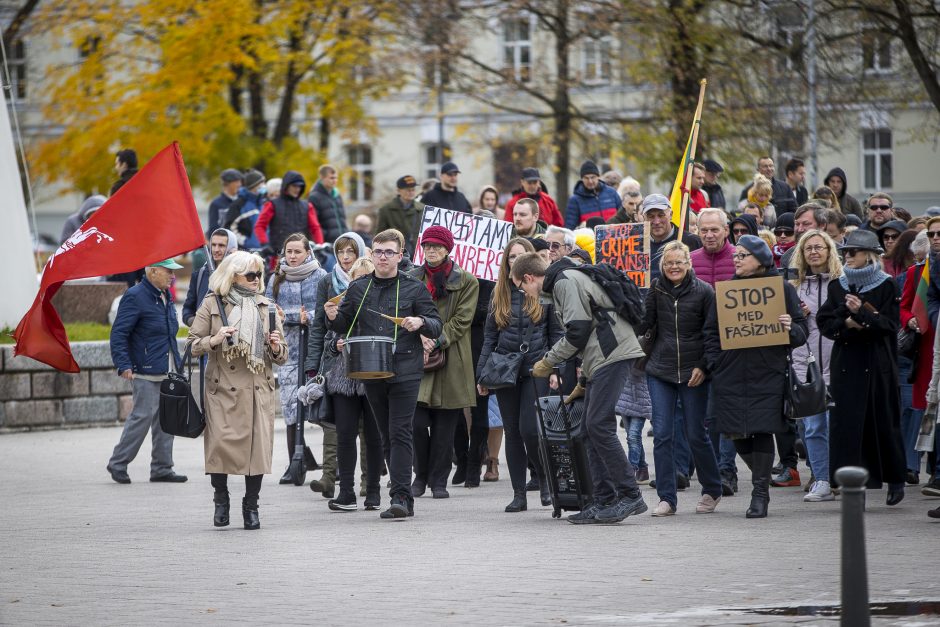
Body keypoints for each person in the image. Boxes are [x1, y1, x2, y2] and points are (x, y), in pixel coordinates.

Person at [519, 254, 648, 524]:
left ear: (529, 278)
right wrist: (583, 382)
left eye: (522, 287)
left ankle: (629, 494)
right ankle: (603, 500)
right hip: (604, 357)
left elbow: (578, 331)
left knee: (598, 425)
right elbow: (590, 337)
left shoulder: (564, 282)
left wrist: (548, 361)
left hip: (614, 354)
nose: (525, 293)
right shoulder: (564, 282)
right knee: (589, 429)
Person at [325, 228, 443, 519]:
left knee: (400, 430)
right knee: (386, 433)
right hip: (371, 369)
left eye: (389, 252)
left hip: (405, 367)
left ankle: (402, 498)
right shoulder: (358, 287)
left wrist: (420, 322)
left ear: (400, 256)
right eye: (378, 252)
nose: (383, 257)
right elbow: (343, 324)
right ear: (371, 254)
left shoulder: (414, 287)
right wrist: (331, 317)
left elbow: (436, 324)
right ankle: (398, 491)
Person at [704, 235, 808, 518]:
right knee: (735, 432)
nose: (736, 260)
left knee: (762, 428)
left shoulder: (781, 289)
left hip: (767, 372)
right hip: (731, 373)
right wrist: (716, 362)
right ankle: (761, 476)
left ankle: (760, 493)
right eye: (735, 255)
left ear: (760, 259)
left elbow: (800, 333)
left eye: (743, 255)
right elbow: (711, 332)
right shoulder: (725, 292)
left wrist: (789, 327)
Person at [188, 251, 287, 529]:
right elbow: (192, 344)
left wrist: (276, 345)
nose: (256, 280)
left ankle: (251, 505)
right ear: (233, 276)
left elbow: (283, 355)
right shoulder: (213, 303)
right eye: (251, 275)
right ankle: (221, 499)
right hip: (223, 390)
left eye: (259, 274)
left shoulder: (266, 306)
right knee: (220, 450)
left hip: (257, 389)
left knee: (257, 453)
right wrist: (215, 339)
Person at [817, 229, 906, 504]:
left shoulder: (887, 285)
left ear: (868, 255)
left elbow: (891, 326)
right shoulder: (837, 285)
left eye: (852, 252)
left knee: (884, 424)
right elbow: (825, 323)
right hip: (847, 364)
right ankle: (852, 486)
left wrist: (864, 314)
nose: (848, 257)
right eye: (845, 252)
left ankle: (895, 479)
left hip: (878, 365)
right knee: (847, 427)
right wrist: (846, 321)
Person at [638, 241, 722, 516]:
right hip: (660, 369)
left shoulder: (704, 292)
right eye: (668, 263)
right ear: (662, 265)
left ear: (688, 264)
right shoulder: (656, 288)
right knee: (662, 434)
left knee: (696, 433)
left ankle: (712, 489)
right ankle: (666, 498)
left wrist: (704, 366)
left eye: (678, 262)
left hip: (693, 371)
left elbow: (713, 335)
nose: (673, 267)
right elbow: (644, 323)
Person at [477, 238, 561, 511]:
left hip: (537, 368)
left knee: (530, 430)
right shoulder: (498, 293)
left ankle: (545, 480)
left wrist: (555, 369)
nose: (515, 260)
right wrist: (482, 375)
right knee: (512, 431)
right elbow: (489, 337)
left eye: (520, 256)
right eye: (511, 257)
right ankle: (519, 493)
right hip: (505, 370)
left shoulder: (543, 293)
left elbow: (556, 334)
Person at [409, 226, 479, 499]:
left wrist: (435, 340)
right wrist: (421, 339)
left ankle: (439, 481)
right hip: (417, 355)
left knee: (444, 426)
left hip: (452, 358)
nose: (431, 251)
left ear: (448, 249)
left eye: (437, 246)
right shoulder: (412, 277)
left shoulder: (467, 281)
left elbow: (462, 320)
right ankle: (420, 475)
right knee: (415, 422)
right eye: (427, 246)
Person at [106, 259, 188, 485]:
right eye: (168, 271)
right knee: (141, 418)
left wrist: (178, 365)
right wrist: (123, 364)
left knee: (166, 420)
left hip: (167, 368)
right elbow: (119, 334)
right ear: (152, 271)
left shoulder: (165, 295)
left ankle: (162, 468)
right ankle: (118, 463)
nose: (172, 276)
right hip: (144, 369)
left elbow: (169, 334)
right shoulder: (135, 296)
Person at [317, 256, 385, 512]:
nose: (359, 283)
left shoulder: (382, 304)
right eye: (355, 278)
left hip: (374, 375)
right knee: (344, 433)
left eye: (364, 278)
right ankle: (346, 491)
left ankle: (374, 491)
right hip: (344, 378)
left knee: (374, 436)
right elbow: (327, 340)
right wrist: (336, 343)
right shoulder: (341, 303)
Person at [305, 231, 370, 499]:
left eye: (350, 252)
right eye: (341, 252)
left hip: (365, 356)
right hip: (334, 358)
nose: (345, 257)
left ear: (359, 254)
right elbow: (319, 326)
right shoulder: (327, 281)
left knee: (367, 423)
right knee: (334, 421)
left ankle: (368, 479)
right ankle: (329, 477)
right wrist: (313, 365)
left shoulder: (370, 277)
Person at [266, 233, 326, 485]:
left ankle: (330, 464)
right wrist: (291, 316)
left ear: (307, 252)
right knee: (291, 405)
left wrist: (307, 317)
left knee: (321, 404)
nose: (291, 256)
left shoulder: (320, 276)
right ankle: (295, 461)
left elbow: (326, 310)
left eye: (297, 252)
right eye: (288, 252)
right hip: (287, 348)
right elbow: (269, 308)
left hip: (316, 347)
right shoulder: (276, 278)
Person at [788, 229, 843, 502]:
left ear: (829, 250)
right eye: (808, 248)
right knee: (813, 428)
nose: (813, 252)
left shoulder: (841, 283)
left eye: (819, 247)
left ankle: (838, 478)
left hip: (837, 365)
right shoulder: (794, 287)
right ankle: (821, 479)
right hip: (805, 365)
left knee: (836, 426)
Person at [691, 208, 739, 495]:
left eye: (714, 230)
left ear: (726, 230)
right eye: (704, 230)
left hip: (734, 347)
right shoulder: (690, 261)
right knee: (704, 417)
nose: (709, 235)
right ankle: (710, 471)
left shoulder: (740, 258)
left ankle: (726, 471)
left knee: (726, 414)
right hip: (699, 348)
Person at [899, 222, 939, 486]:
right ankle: (921, 467)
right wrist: (910, 320)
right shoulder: (916, 273)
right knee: (925, 407)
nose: (936, 238)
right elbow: (903, 307)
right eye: (932, 235)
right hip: (925, 349)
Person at [253, 170, 325, 255]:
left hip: (302, 255)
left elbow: (315, 228)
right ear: (286, 185)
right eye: (294, 186)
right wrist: (264, 243)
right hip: (278, 255)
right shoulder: (272, 205)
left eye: (300, 186)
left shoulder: (307, 206)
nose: (297, 189)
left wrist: (320, 246)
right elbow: (260, 226)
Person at [183, 229, 237, 326]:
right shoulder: (200, 274)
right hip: (204, 338)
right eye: (213, 245)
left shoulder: (239, 276)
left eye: (221, 245)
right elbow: (188, 308)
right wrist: (193, 321)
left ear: (231, 247)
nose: (216, 250)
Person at [642, 193, 702, 281]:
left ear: (671, 214)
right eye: (651, 216)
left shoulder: (692, 242)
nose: (656, 221)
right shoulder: (637, 245)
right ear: (644, 218)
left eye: (661, 215)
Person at [377, 175, 425, 258]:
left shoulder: (422, 209)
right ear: (399, 191)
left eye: (413, 190)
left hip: (418, 254)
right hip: (395, 254)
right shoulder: (386, 210)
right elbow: (380, 236)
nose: (411, 192)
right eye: (407, 190)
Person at [565, 160, 621, 228]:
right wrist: (580, 228)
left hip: (613, 236)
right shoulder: (575, 200)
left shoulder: (612, 192)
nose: (590, 181)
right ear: (582, 179)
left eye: (593, 177)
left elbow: (622, 216)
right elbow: (569, 228)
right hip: (590, 238)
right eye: (586, 178)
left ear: (598, 177)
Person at [224, 169, 267, 250]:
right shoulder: (238, 204)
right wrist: (245, 242)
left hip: (264, 250)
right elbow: (230, 228)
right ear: (254, 185)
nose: (264, 185)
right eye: (262, 182)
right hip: (246, 251)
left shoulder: (263, 203)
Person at [309, 164, 348, 243]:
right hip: (327, 243)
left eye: (336, 178)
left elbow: (342, 219)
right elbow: (314, 223)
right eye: (331, 178)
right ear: (322, 178)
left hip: (342, 242)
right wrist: (327, 236)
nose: (335, 180)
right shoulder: (314, 197)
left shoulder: (337, 195)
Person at [207, 169, 244, 233]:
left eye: (240, 182)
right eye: (236, 182)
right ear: (227, 183)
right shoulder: (216, 204)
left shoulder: (243, 201)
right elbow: (213, 230)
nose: (239, 184)